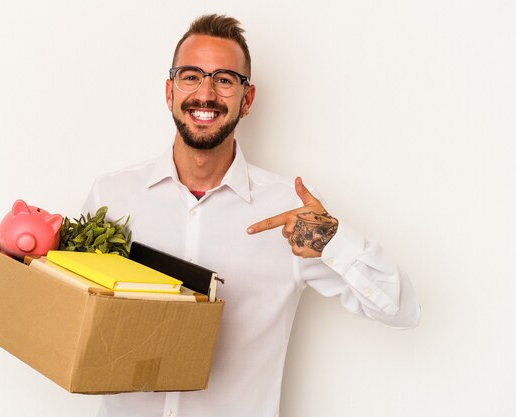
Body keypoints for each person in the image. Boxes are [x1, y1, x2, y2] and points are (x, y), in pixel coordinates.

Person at [82, 13, 421, 417]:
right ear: (169, 91)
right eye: (191, 76)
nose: (205, 94)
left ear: (247, 99)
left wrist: (333, 242)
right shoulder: (113, 196)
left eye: (224, 80)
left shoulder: (289, 214)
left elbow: (401, 311)